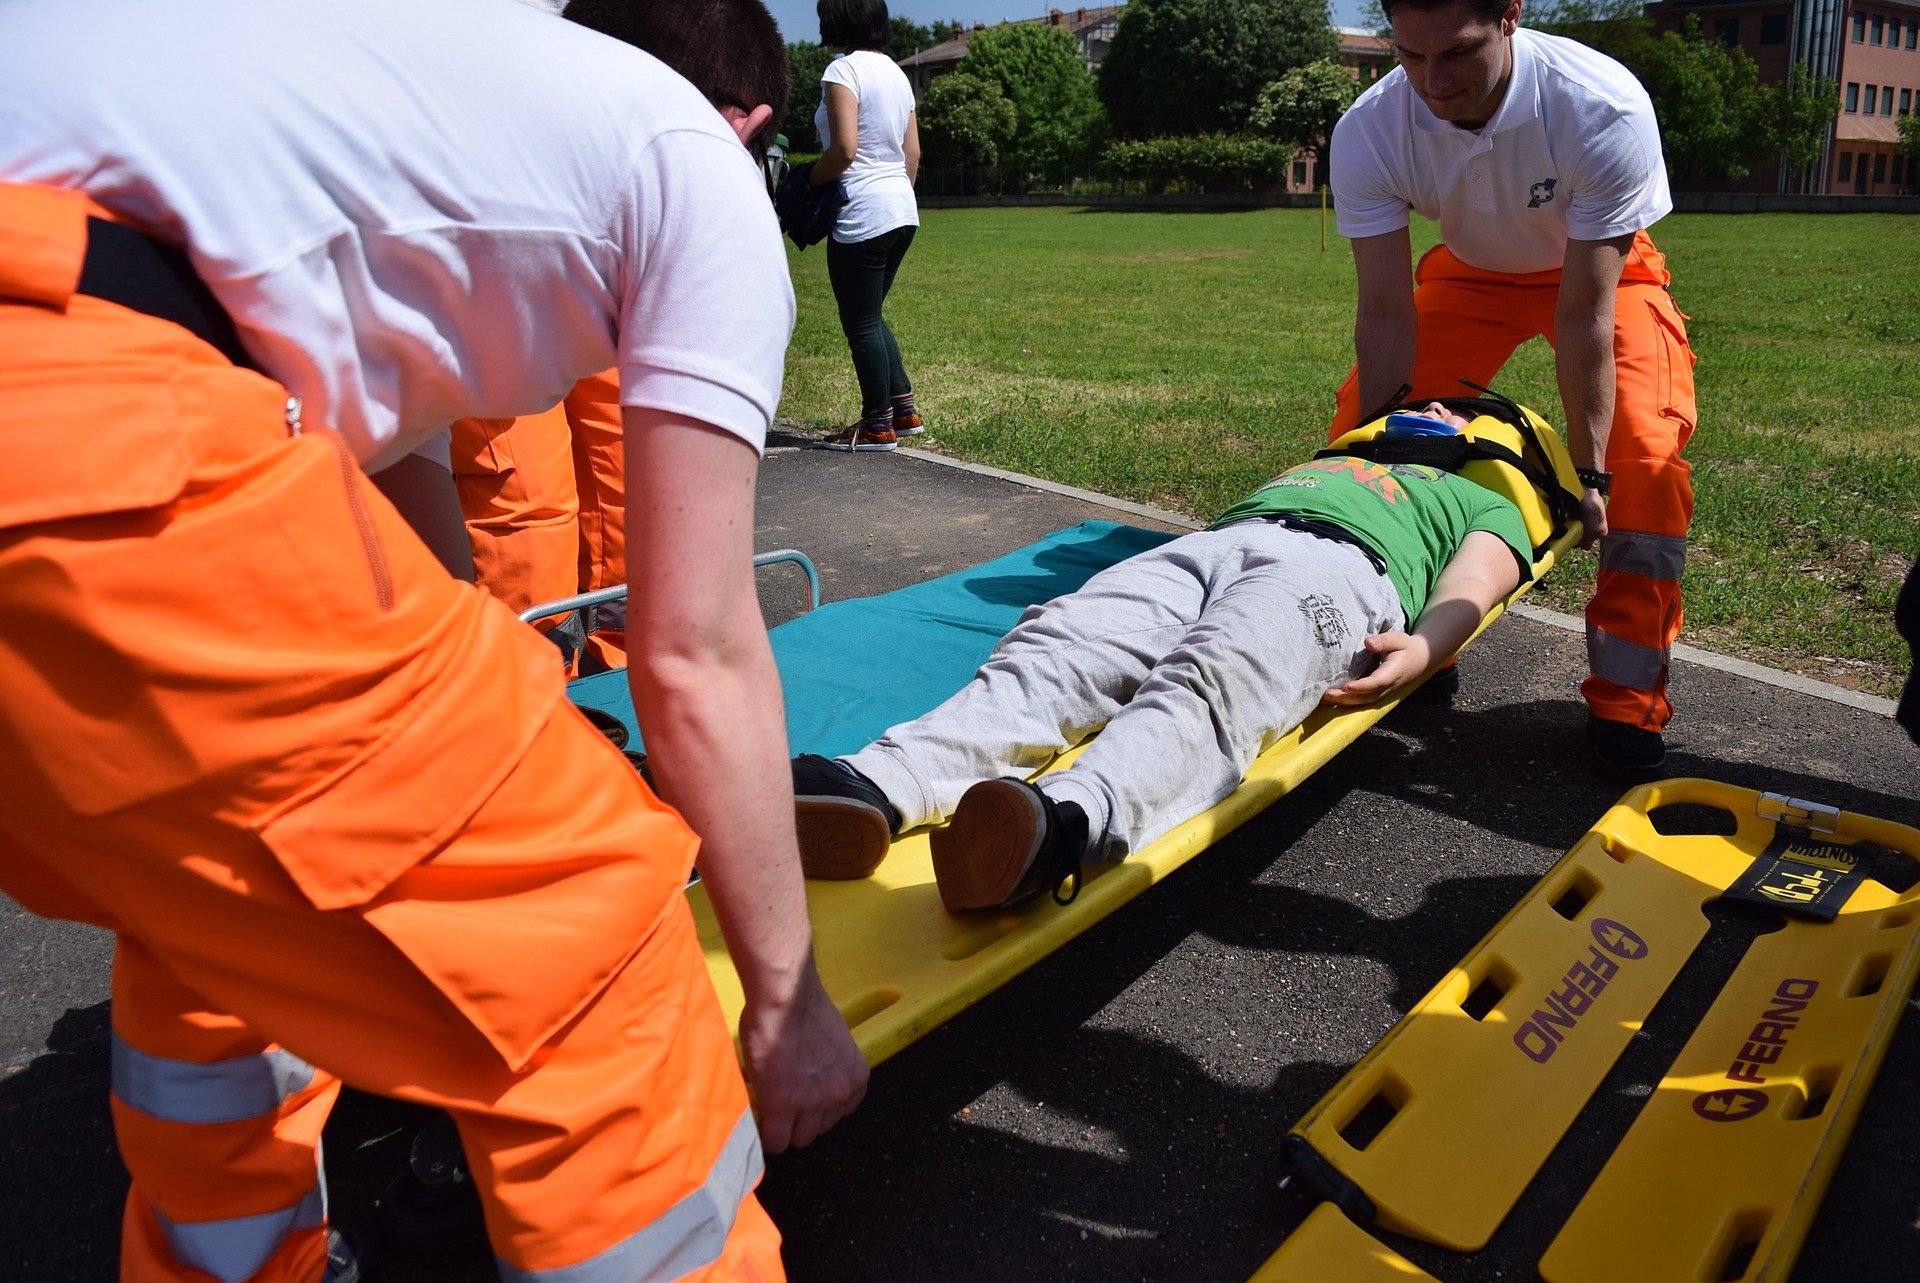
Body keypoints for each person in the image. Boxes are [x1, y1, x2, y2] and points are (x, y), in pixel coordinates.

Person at [0, 3, 866, 1282]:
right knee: (586, 940)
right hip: (82, 395)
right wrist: (788, 1006)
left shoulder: (380, 99)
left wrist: (478, 726)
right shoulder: (698, 168)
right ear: (748, 120)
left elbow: (404, 518)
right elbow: (695, 647)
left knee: (224, 902)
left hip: (86, 346)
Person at [790, 405, 1534, 912]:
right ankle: (878, 782)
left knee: (1217, 679)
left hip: (1345, 572)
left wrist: (1428, 647)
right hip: (1216, 545)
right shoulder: (1331, 461)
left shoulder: (1480, 500)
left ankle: (1066, 825)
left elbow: (1476, 582)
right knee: (1058, 645)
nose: (1434, 412)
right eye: (1428, 404)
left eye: (1453, 413)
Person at [1327, 0, 1697, 784]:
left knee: (1646, 458)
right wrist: (1375, 452)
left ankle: (1627, 698)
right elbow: (1387, 311)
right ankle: (1411, 638)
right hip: (1470, 272)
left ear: (1510, 17)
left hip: (1601, 274)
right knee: (1364, 443)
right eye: (1408, 55)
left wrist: (1592, 476)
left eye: (1457, 53)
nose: (1433, 81)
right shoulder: (1370, 128)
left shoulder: (1600, 105)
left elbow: (1584, 312)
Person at [809, 0, 925, 452]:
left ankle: (878, 426)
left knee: (859, 322)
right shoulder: (897, 73)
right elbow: (911, 153)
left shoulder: (843, 72)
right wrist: (896, 199)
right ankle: (903, 409)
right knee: (871, 315)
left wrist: (805, 183)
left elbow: (843, 151)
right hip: (901, 207)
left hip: (862, 212)